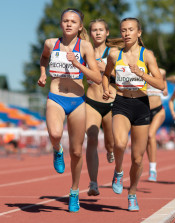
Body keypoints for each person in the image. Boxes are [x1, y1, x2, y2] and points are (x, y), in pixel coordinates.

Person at [37, 8, 101, 212]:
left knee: (76, 151)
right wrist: (43, 74)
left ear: (80, 26)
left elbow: (97, 78)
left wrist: (78, 64)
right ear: (61, 23)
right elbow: (44, 58)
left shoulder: (85, 46)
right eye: (65, 20)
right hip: (55, 96)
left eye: (73, 21)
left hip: (77, 101)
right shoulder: (50, 43)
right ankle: (57, 150)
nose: (69, 24)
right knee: (55, 134)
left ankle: (74, 191)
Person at [102, 17, 165, 211]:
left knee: (138, 159)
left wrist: (141, 74)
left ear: (139, 33)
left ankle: (132, 194)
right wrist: (106, 88)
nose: (126, 33)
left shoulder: (147, 55)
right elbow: (106, 75)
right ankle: (119, 171)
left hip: (141, 104)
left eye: (130, 29)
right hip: (121, 103)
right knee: (119, 144)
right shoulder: (114, 54)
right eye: (123, 30)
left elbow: (161, 85)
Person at [85, 19, 118, 196]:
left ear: (107, 33)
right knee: (91, 137)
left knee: (111, 142)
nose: (97, 33)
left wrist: (107, 69)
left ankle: (111, 150)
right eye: (94, 30)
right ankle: (93, 183)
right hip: (91, 100)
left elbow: (125, 77)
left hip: (111, 102)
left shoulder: (113, 52)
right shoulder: (85, 51)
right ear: (90, 33)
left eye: (101, 30)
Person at [146, 68, 168, 182]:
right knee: (145, 140)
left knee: (150, 135)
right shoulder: (141, 71)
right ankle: (151, 166)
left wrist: (165, 88)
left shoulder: (161, 72)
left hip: (159, 110)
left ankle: (153, 170)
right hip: (145, 111)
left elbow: (164, 80)